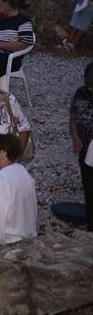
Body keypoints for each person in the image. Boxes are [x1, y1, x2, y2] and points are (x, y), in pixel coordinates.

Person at [0, 133, 37, 244]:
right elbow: (32, 206)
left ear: (3, 153)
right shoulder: (23, 171)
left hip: (9, 239)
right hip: (28, 235)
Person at [69, 62, 93, 232]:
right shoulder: (80, 92)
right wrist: (75, 138)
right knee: (88, 185)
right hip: (84, 146)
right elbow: (73, 118)